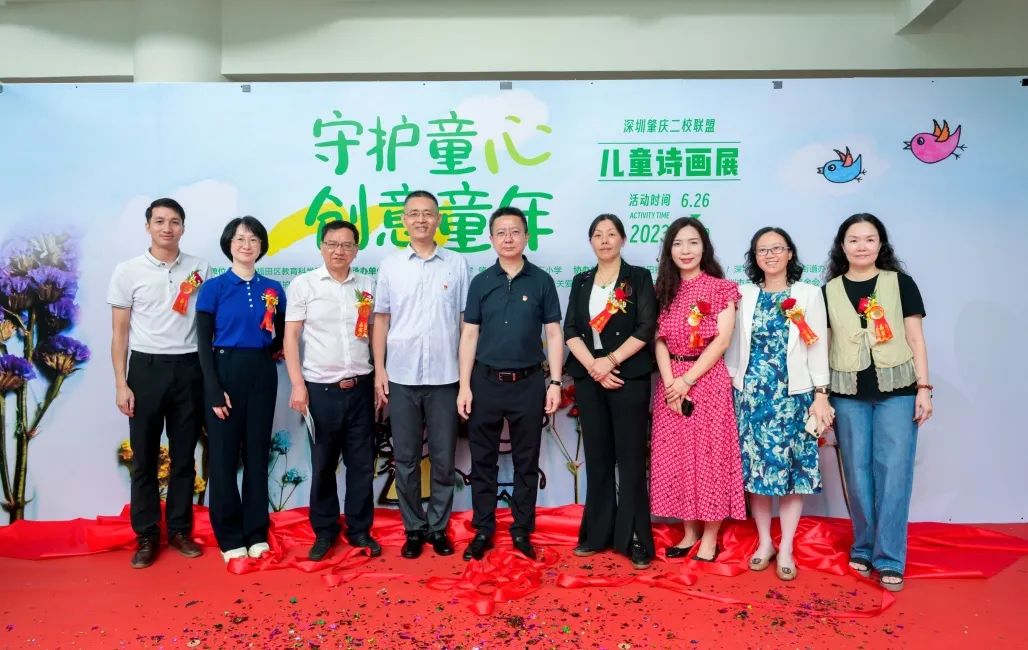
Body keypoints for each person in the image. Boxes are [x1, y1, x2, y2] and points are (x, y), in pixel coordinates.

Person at [822, 213, 932, 592]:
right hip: (848, 393)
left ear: (880, 244)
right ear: (842, 246)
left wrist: (924, 388)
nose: (862, 246)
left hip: (898, 391)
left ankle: (889, 557)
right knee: (856, 474)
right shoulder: (829, 291)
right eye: (854, 239)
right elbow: (825, 345)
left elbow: (915, 339)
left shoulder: (900, 283)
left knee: (894, 473)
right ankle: (864, 546)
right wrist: (822, 396)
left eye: (870, 239)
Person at [726, 227, 833, 581]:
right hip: (752, 396)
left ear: (790, 253)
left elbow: (817, 345)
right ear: (754, 258)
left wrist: (821, 393)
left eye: (777, 248)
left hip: (794, 396)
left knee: (792, 473)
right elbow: (732, 344)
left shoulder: (808, 294)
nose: (770, 255)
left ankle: (786, 545)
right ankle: (764, 543)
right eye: (762, 250)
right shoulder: (744, 294)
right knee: (757, 472)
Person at [107, 197, 209, 568]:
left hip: (189, 368)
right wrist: (121, 383)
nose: (168, 228)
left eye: (175, 221)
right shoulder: (128, 271)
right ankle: (147, 535)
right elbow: (119, 334)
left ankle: (180, 530)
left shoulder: (200, 267)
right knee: (144, 458)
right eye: (160, 221)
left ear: (183, 227)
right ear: (148, 226)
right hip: (145, 369)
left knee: (184, 457)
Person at [457, 206, 563, 561]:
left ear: (526, 237)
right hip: (485, 382)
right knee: (482, 461)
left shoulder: (542, 281)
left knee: (526, 461)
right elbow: (469, 334)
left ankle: (521, 529)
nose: (508, 238)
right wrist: (464, 386)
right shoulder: (481, 282)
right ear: (491, 239)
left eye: (515, 231)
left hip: (528, 383)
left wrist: (555, 382)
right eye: (501, 232)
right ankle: (483, 528)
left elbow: (553, 333)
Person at [372, 191, 470, 560]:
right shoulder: (391, 265)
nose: (421, 220)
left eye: (427, 213)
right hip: (401, 376)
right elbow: (382, 319)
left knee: (444, 459)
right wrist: (380, 369)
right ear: (404, 220)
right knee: (406, 459)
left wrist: (465, 378)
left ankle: (438, 528)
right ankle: (413, 528)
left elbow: (466, 322)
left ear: (438, 219)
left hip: (445, 377)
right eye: (413, 213)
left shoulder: (456, 264)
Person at [284, 220, 382, 561]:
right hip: (321, 390)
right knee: (324, 464)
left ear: (356, 250)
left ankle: (359, 530)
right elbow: (291, 336)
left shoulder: (367, 284)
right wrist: (298, 384)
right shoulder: (304, 284)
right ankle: (325, 531)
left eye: (346, 245)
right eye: (332, 244)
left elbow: (375, 332)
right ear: (321, 246)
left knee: (362, 465)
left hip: (361, 387)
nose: (339, 250)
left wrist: (379, 375)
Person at [563, 214, 657, 569]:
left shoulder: (638, 278)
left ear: (622, 239)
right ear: (591, 242)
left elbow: (646, 327)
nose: (605, 240)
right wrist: (594, 366)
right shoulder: (581, 280)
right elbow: (571, 329)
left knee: (630, 460)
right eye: (598, 235)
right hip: (590, 378)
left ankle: (635, 538)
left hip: (628, 376)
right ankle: (596, 534)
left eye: (611, 234)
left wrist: (611, 361)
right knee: (598, 457)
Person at [650, 216, 744, 562]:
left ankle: (710, 536)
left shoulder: (721, 288)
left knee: (709, 458)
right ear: (669, 251)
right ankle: (689, 532)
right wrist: (670, 384)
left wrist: (687, 380)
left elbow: (722, 340)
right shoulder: (663, 290)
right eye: (677, 244)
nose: (685, 250)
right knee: (676, 457)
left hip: (706, 380)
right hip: (670, 381)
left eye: (692, 242)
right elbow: (659, 339)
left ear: (704, 247)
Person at [195, 216, 285, 562]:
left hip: (262, 372)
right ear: (229, 245)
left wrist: (269, 351)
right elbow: (203, 344)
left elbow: (280, 333)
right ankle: (230, 536)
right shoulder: (214, 288)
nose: (247, 245)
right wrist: (213, 389)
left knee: (258, 455)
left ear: (262, 246)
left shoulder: (273, 288)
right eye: (240, 239)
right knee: (223, 457)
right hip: (224, 370)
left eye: (253, 240)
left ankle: (256, 532)